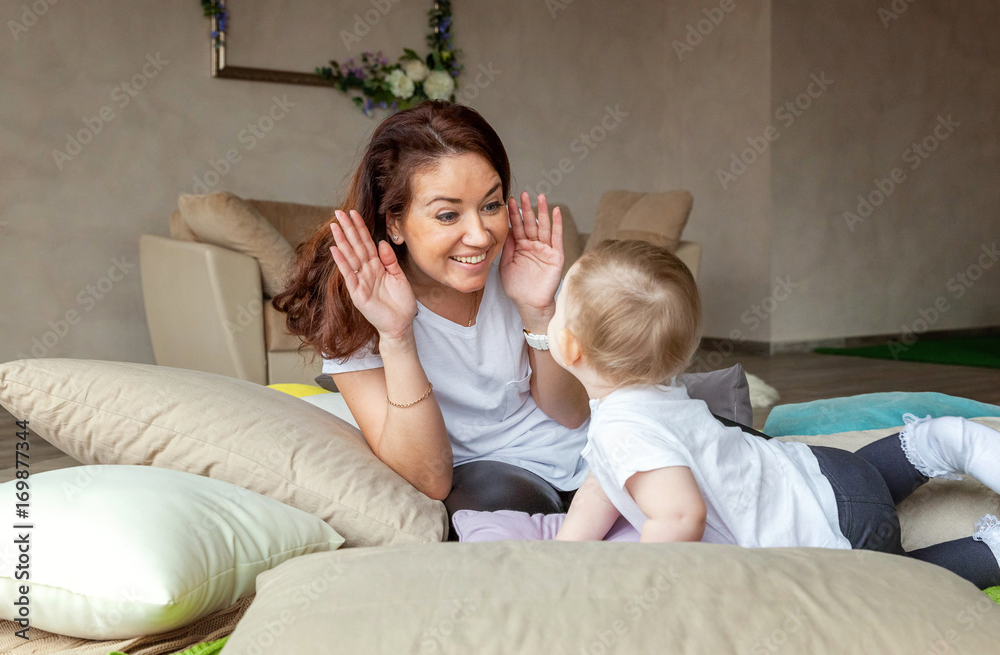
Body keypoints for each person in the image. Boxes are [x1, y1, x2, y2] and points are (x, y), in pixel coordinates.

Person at [550, 238, 1000, 590]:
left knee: (901, 584)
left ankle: (991, 551)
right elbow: (604, 482)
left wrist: (633, 582)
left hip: (838, 535)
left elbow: (682, 516)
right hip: (832, 470)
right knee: (874, 477)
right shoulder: (657, 393)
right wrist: (564, 553)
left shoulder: (621, 429)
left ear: (569, 346)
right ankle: (940, 442)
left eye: (555, 310)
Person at [272, 100, 593, 539]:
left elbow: (573, 414)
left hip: (590, 454)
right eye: (448, 214)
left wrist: (539, 311)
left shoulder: (519, 273)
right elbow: (430, 478)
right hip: (493, 480)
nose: (480, 236)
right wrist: (397, 335)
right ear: (396, 224)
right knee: (490, 519)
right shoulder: (356, 308)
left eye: (491, 205)